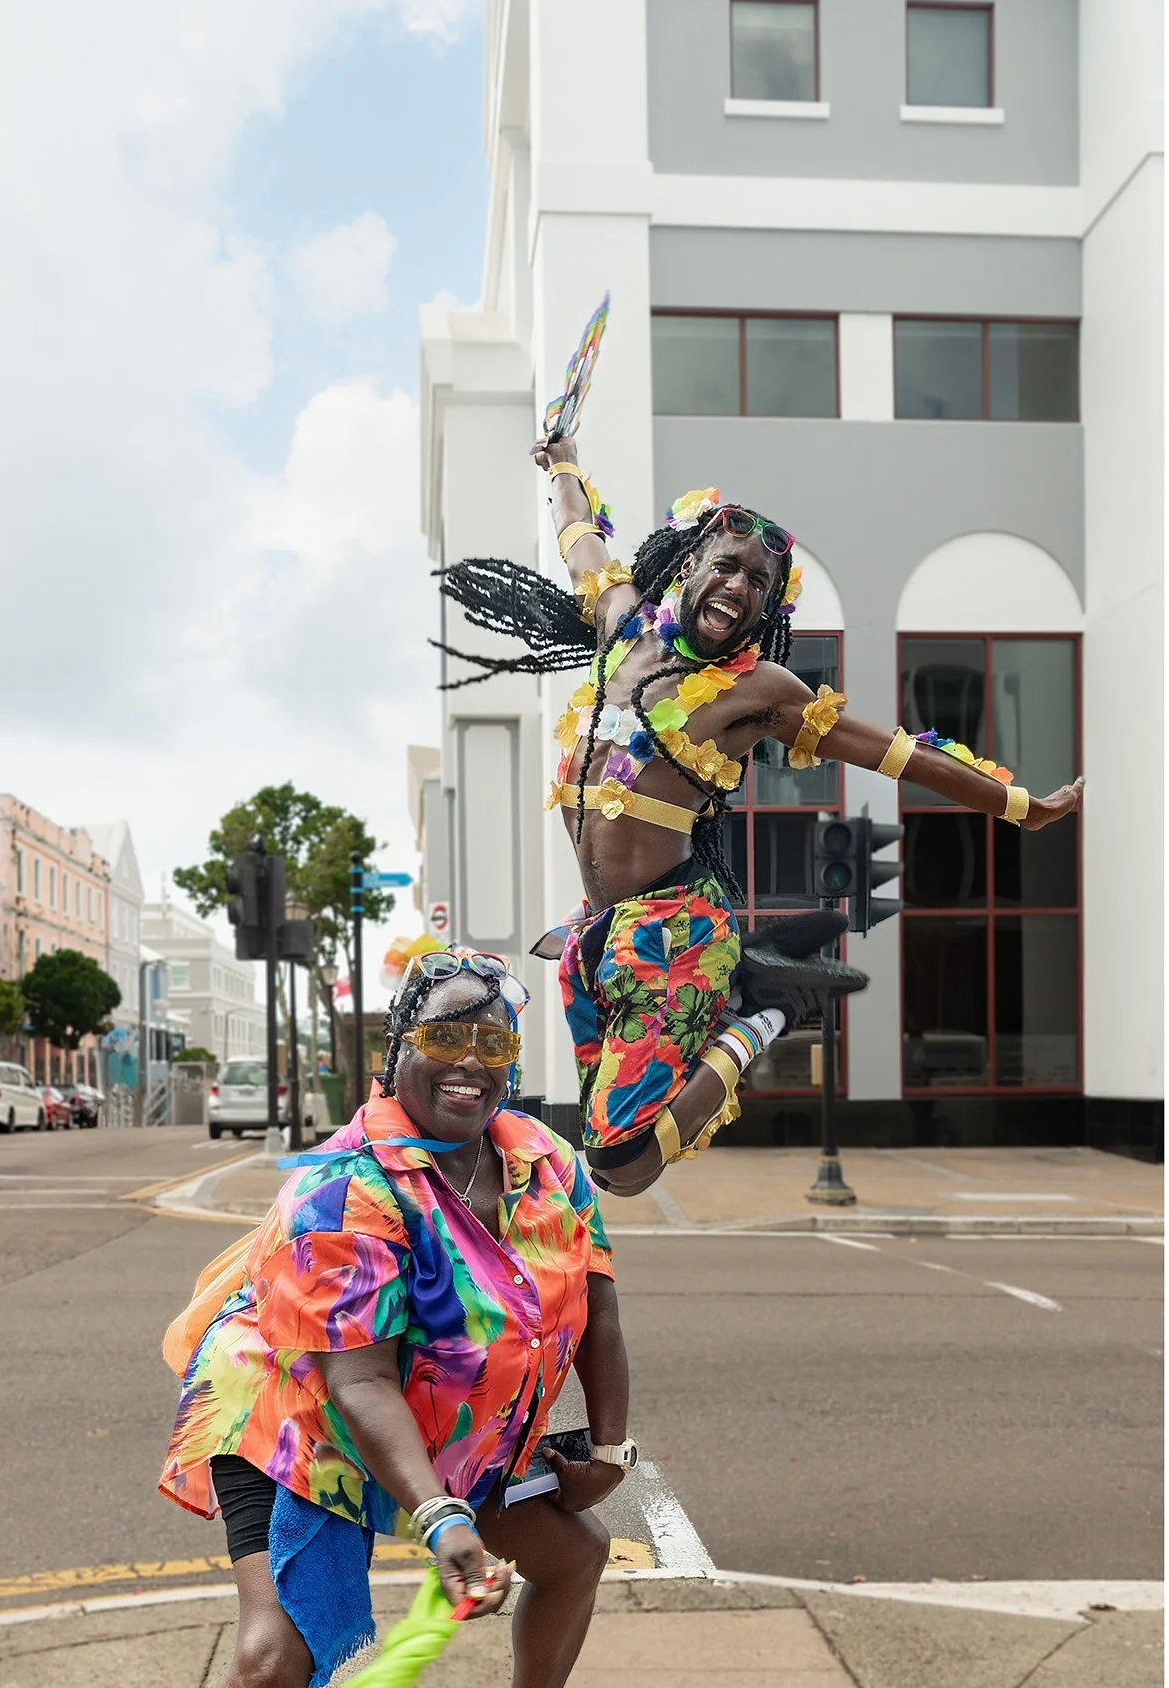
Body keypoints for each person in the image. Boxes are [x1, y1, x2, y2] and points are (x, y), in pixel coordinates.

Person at [83, 949, 640, 1688]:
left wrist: (608, 1448)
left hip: (456, 1417)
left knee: (572, 1555)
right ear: (397, 1048)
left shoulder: (546, 1164)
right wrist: (438, 1516)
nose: (468, 1063)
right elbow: (355, 1377)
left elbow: (600, 1309)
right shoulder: (347, 1185)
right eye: (443, 1036)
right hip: (302, 1418)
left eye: (491, 1042)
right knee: (273, 1657)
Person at [437, 449, 1085, 1198]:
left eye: (759, 584)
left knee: (623, 1166)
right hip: (599, 934)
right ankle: (754, 988)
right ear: (688, 565)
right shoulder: (621, 628)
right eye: (728, 565)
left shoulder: (759, 689)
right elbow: (581, 533)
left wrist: (1018, 805)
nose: (738, 587)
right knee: (599, 1141)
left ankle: (762, 1013)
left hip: (675, 930)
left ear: (766, 610)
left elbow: (893, 753)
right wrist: (561, 465)